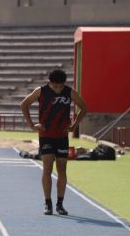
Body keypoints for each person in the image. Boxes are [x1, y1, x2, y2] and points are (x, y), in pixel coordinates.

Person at [21, 68, 87, 216]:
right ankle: (48, 203)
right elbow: (24, 104)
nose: (58, 89)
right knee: (47, 168)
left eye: (60, 86)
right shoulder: (41, 91)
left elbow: (83, 108)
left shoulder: (69, 92)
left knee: (62, 169)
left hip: (62, 137)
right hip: (46, 136)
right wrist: (32, 125)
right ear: (50, 83)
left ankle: (60, 204)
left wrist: (74, 125)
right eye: (55, 86)